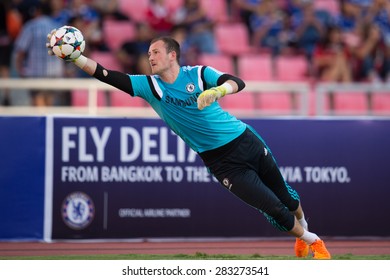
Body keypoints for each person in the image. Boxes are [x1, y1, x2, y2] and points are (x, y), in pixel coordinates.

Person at [46, 32, 331, 259]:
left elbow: (236, 81)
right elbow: (106, 74)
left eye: (155, 52)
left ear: (172, 55)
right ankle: (314, 241)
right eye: (148, 54)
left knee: (288, 198)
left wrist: (218, 90)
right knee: (273, 208)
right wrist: (77, 58)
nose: (150, 58)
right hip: (221, 162)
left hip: (246, 140)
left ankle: (303, 229)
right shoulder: (150, 86)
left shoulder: (198, 73)